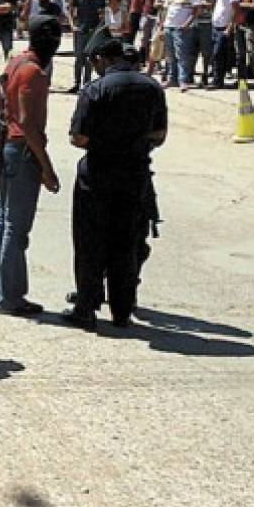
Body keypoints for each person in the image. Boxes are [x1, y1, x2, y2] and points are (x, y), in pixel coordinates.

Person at [62, 28, 167, 330]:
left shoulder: (95, 90)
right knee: (125, 243)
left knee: (90, 243)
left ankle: (86, 306)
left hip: (97, 176)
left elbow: (78, 137)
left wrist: (105, 142)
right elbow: (159, 135)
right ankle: (121, 310)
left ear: (101, 59)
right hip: (135, 175)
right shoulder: (152, 88)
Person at [0, 16, 63, 316]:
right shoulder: (34, 72)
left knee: (2, 221)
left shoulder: (15, 63)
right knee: (16, 228)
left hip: (8, 149)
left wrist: (1, 134)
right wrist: (47, 168)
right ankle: (10, 297)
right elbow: (28, 123)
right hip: (22, 152)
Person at [67, 0, 106, 93]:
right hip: (80, 31)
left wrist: (98, 30)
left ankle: (86, 84)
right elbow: (70, 11)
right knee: (79, 59)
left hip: (92, 33)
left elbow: (103, 17)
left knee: (89, 59)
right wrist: (72, 25)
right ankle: (77, 83)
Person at [158, 0, 196, 92]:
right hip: (169, 26)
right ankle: (171, 79)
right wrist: (162, 27)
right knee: (170, 55)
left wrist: (187, 24)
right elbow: (165, 10)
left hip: (181, 28)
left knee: (182, 55)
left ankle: (183, 80)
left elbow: (196, 10)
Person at [210, 0, 240, 88]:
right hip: (215, 26)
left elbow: (235, 10)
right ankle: (216, 79)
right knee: (215, 54)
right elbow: (214, 4)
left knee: (219, 53)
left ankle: (219, 80)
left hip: (225, 27)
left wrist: (230, 26)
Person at [192, 0, 216, 87]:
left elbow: (212, 4)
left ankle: (205, 73)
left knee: (206, 50)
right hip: (195, 21)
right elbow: (192, 5)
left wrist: (202, 4)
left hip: (208, 22)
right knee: (193, 49)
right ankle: (191, 73)